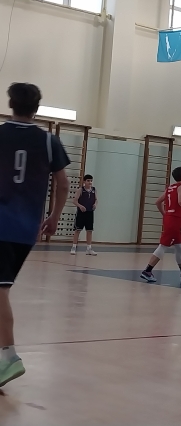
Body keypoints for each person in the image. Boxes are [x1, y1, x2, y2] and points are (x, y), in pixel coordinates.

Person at [0, 83, 70, 387]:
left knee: (0, 291)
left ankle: (9, 357)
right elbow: (63, 184)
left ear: (10, 104)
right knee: (2, 289)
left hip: (1, 225)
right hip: (27, 229)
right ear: (36, 108)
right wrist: (54, 217)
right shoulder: (49, 141)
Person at [140, 167, 181, 283]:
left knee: (179, 246)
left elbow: (158, 202)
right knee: (163, 246)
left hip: (171, 219)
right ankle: (147, 271)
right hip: (174, 220)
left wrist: (165, 214)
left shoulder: (170, 188)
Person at [71, 174, 98, 255]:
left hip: (90, 212)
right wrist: (80, 206)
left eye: (91, 181)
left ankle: (89, 248)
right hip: (81, 213)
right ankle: (74, 247)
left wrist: (95, 204)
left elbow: (96, 200)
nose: (90, 182)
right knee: (77, 230)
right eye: (88, 181)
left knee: (89, 230)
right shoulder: (80, 190)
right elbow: (74, 201)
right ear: (84, 181)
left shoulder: (94, 190)